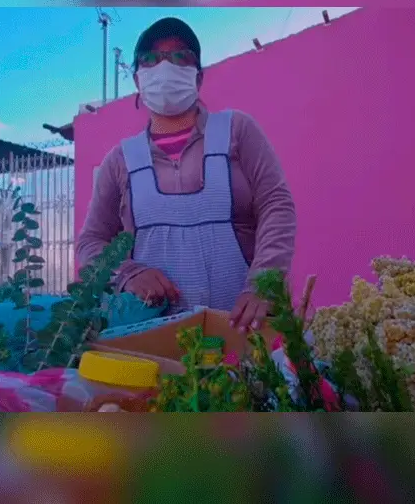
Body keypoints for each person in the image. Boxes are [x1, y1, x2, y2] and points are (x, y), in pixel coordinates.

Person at [76, 17, 297, 333]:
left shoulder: (238, 130)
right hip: (152, 339)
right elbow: (91, 242)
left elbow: (277, 205)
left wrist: (264, 283)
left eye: (179, 56)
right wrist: (127, 274)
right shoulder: (119, 160)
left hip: (244, 331)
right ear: (138, 80)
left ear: (198, 76)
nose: (164, 67)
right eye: (150, 59)